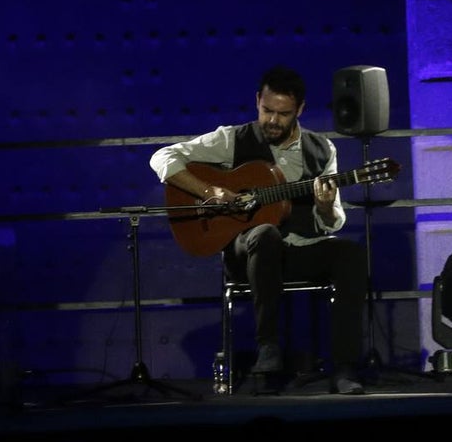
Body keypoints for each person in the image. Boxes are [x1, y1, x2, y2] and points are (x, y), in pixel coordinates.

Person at [149, 64, 368, 394]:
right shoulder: (231, 139)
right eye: (267, 110)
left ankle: (345, 368)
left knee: (350, 253)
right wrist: (209, 191)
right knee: (265, 233)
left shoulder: (322, 149)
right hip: (248, 253)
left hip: (296, 252)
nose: (273, 121)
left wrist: (325, 207)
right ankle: (269, 350)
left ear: (300, 110)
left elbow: (333, 222)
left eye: (283, 113)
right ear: (257, 102)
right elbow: (162, 158)